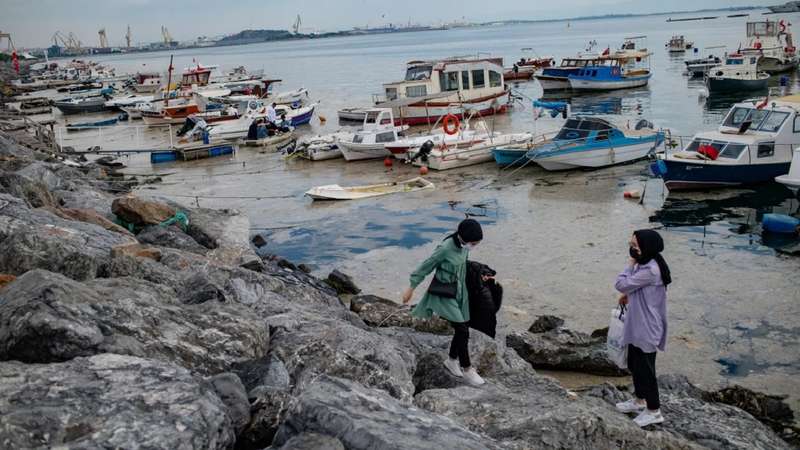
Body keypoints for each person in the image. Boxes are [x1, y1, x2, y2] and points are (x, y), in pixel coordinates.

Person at [402, 218, 486, 386]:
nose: (474, 246)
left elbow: (462, 266)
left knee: (463, 326)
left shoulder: (464, 247)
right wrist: (411, 287)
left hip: (459, 292)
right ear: (465, 238)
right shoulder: (446, 248)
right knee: (462, 330)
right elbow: (427, 265)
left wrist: (478, 278)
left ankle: (452, 360)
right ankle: (467, 369)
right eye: (473, 243)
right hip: (444, 293)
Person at [614, 229, 671, 427]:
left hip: (647, 327)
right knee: (635, 364)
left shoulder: (650, 270)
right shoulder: (646, 263)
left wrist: (629, 265)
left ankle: (654, 410)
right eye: (630, 245)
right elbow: (641, 290)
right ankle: (639, 400)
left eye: (635, 247)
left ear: (647, 248)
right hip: (637, 323)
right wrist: (630, 296)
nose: (632, 250)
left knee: (647, 371)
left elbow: (621, 284)